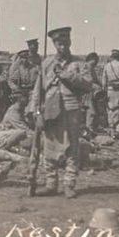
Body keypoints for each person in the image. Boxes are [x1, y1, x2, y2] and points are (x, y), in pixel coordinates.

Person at [27, 26, 92, 199]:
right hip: (50, 109)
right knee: (49, 146)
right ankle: (51, 183)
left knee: (72, 146)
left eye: (64, 43)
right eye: (58, 43)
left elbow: (87, 85)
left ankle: (69, 183)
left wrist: (66, 75)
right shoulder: (46, 63)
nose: (62, 47)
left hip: (71, 109)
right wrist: (35, 110)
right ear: (54, 44)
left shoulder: (80, 63)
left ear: (70, 42)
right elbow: (38, 89)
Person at [82, 52, 103, 134]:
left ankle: (90, 129)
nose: (96, 62)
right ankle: (89, 130)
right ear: (92, 59)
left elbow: (95, 80)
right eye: (95, 60)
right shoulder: (86, 67)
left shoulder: (91, 68)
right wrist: (97, 86)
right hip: (87, 93)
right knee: (91, 112)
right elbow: (88, 80)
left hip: (90, 93)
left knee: (91, 112)